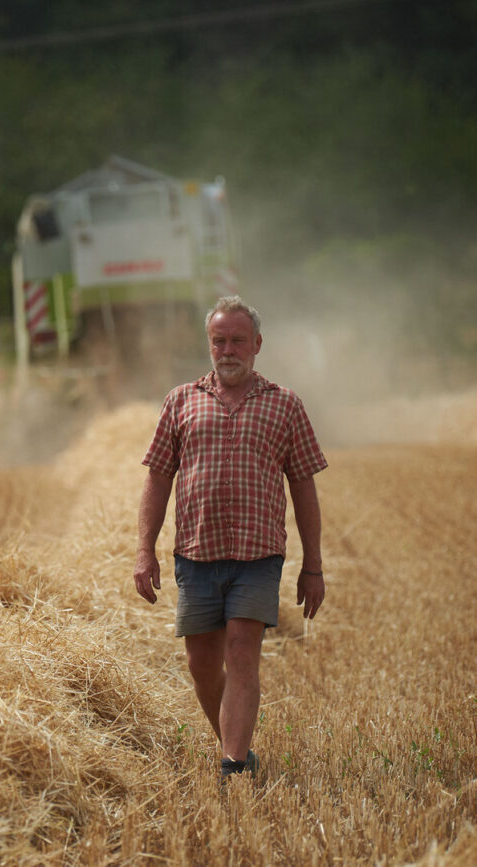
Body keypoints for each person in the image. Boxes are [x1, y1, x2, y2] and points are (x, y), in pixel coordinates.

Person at [133, 295, 327, 785]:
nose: (228, 349)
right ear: (209, 344)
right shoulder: (179, 401)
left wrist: (313, 566)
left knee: (242, 650)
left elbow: (303, 486)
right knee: (202, 665)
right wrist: (143, 551)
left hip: (258, 555)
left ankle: (233, 767)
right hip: (196, 554)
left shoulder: (285, 405)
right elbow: (157, 478)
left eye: (238, 340)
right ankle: (235, 743)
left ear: (258, 344)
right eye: (219, 340)